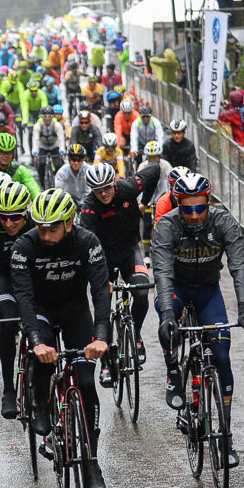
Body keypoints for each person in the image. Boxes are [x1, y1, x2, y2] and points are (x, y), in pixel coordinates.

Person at [11, 189, 109, 488]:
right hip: (40, 310)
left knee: (86, 382)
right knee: (43, 356)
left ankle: (91, 459)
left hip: (75, 310)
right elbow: (24, 299)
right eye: (41, 226)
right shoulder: (24, 246)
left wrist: (103, 337)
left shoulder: (87, 242)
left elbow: (100, 292)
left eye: (53, 226)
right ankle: (41, 404)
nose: (46, 232)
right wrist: (36, 341)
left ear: (69, 222)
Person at [153, 173, 244, 466]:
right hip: (176, 287)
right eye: (187, 208)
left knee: (221, 356)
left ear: (209, 202)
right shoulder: (167, 225)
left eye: (200, 207)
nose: (195, 215)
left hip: (208, 292)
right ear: (178, 203)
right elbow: (161, 271)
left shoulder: (223, 222)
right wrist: (170, 317)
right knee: (167, 324)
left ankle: (226, 435)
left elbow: (239, 265)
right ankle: (173, 371)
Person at [78, 161, 161, 383]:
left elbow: (154, 170)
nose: (103, 193)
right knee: (102, 304)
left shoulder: (126, 188)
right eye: (98, 190)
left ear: (114, 182)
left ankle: (136, 335)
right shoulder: (89, 209)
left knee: (142, 292)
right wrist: (100, 280)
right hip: (102, 256)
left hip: (130, 249)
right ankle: (105, 362)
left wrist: (144, 203)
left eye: (107, 187)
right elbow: (88, 247)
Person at [0, 183, 33, 418]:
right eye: (3, 217)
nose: (9, 223)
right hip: (5, 281)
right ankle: (9, 391)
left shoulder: (35, 225)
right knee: (8, 322)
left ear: (25, 213)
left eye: (15, 217)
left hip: (32, 280)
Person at [31, 105, 67, 189]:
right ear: (42, 117)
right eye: (45, 116)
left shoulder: (57, 125)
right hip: (42, 146)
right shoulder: (38, 126)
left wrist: (62, 151)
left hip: (54, 146)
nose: (47, 119)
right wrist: (35, 153)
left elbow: (61, 139)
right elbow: (35, 140)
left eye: (50, 116)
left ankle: (59, 183)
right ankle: (42, 184)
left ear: (52, 117)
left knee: (58, 165)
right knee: (41, 164)